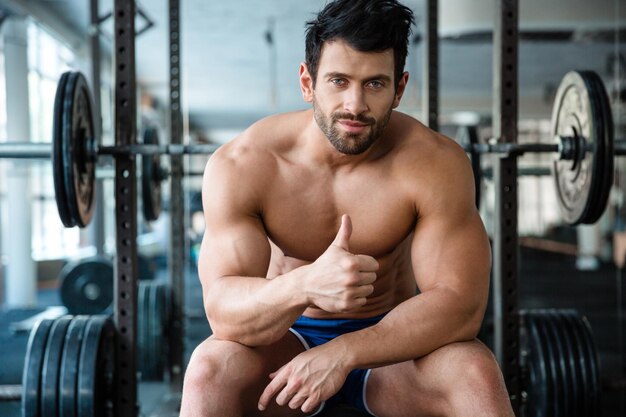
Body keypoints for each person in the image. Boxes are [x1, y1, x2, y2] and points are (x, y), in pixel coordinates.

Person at [180, 0, 514, 416]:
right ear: (308, 82)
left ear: (400, 88)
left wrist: (344, 353)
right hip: (284, 347)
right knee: (209, 369)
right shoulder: (244, 164)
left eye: (375, 84)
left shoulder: (435, 163)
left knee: (474, 371)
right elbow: (223, 314)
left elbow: (461, 306)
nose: (355, 104)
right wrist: (304, 284)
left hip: (394, 350)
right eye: (338, 80)